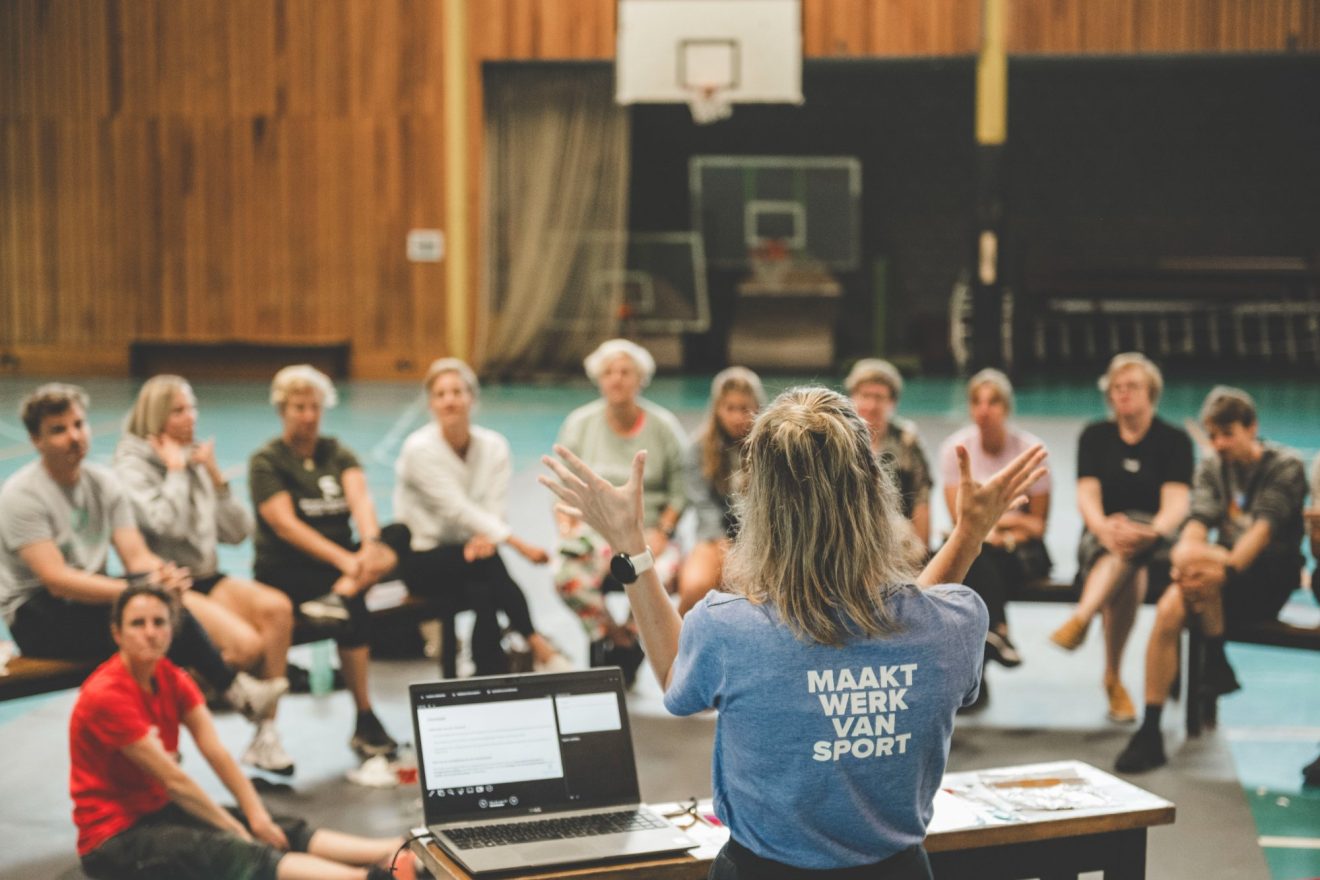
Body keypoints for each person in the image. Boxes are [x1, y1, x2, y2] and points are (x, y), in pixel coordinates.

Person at [541, 386, 1046, 878]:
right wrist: (968, 535)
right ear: (875, 490)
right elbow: (918, 617)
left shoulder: (728, 629)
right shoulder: (959, 621)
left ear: (759, 505)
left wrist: (632, 548)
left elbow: (676, 679)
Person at [72, 583, 413, 880]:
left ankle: (397, 849)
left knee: (274, 826)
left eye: (159, 622)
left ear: (171, 630)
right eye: (137, 623)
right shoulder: (107, 695)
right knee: (235, 849)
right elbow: (175, 781)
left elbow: (216, 752)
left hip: (157, 810)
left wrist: (256, 816)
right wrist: (235, 829)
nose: (150, 632)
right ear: (117, 633)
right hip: (113, 837)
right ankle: (368, 878)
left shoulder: (171, 677)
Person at [0, 383, 284, 723]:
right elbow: (56, 581)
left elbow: (136, 557)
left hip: (88, 598)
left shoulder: (103, 483)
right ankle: (226, 695)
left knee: (160, 613)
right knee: (151, 623)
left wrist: (161, 577)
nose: (74, 437)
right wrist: (143, 591)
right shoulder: (22, 496)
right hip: (37, 614)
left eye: (78, 425)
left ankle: (210, 705)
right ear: (36, 440)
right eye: (58, 430)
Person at [1116, 387, 1306, 773]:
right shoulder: (1213, 466)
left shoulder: (1284, 467)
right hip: (1214, 576)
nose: (1217, 444)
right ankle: (1151, 728)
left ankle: (1216, 657)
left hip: (1268, 575)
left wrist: (1221, 567)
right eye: (1212, 434)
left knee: (1197, 579)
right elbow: (1197, 524)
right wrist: (1188, 560)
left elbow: (1260, 536)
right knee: (1170, 606)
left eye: (1227, 434)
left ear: (1251, 428)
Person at [115, 375, 297, 774]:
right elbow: (167, 526)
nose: (190, 417)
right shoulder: (132, 466)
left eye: (192, 407)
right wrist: (177, 472)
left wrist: (215, 478)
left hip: (207, 575)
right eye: (179, 410)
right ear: (156, 416)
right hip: (168, 582)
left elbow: (237, 532)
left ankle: (266, 736)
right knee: (247, 648)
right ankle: (172, 726)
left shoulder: (193, 455)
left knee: (277, 609)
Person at [249, 365, 410, 758]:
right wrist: (348, 562)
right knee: (355, 606)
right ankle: (362, 717)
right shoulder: (267, 461)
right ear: (282, 410)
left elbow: (361, 502)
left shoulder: (337, 453)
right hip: (289, 568)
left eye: (315, 407)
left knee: (399, 535)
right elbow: (286, 527)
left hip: (340, 572)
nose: (308, 415)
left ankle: (339, 597)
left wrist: (369, 544)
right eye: (299, 407)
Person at [394, 358, 572, 675]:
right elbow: (454, 507)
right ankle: (538, 647)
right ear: (431, 403)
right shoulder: (419, 449)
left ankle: (487, 670)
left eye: (457, 392)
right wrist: (517, 544)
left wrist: (486, 538)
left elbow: (494, 506)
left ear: (472, 399)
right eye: (441, 394)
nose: (450, 400)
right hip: (424, 557)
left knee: (484, 587)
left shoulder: (493, 446)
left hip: (475, 551)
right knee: (487, 568)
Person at [1049, 354, 1193, 724]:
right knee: (1129, 564)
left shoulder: (1174, 440)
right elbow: (1087, 496)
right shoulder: (1095, 436)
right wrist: (1102, 528)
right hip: (1101, 543)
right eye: (1117, 388)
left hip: (1157, 543)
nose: (1123, 394)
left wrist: (1154, 532)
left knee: (1135, 555)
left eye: (1132, 387)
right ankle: (1113, 677)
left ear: (1152, 393)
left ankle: (1082, 619)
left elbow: (1176, 503)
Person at [553, 339, 687, 683]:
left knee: (669, 574)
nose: (617, 379)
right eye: (609, 372)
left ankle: (636, 631)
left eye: (625, 372)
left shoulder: (664, 426)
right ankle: (618, 638)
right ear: (599, 379)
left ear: (640, 379)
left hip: (649, 530)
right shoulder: (579, 423)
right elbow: (564, 485)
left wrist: (664, 531)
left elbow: (680, 488)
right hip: (594, 530)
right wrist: (566, 524)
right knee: (565, 576)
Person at [938, 368, 1051, 675]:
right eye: (977, 402)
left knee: (976, 557)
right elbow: (959, 517)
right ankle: (999, 631)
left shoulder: (1030, 451)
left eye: (993, 402)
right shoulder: (956, 450)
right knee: (978, 554)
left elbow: (1037, 527)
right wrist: (1007, 523)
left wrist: (991, 526)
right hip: (987, 546)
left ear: (1007, 407)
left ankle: (983, 660)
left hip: (1020, 551)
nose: (984, 410)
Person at [676, 366, 764, 616]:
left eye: (744, 408)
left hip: (759, 538)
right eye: (730, 408)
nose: (738, 417)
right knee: (695, 587)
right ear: (717, 409)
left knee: (752, 591)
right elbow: (702, 504)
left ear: (758, 407)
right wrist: (722, 543)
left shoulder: (770, 448)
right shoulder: (698, 449)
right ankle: (677, 649)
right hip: (714, 536)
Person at [846, 359, 933, 549]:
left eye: (879, 397)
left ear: (892, 402)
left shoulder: (908, 441)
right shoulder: (841, 440)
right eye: (865, 395)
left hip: (897, 538)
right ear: (852, 397)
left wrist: (923, 553)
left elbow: (922, 498)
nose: (871, 404)